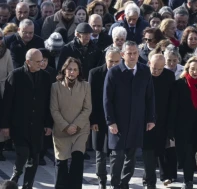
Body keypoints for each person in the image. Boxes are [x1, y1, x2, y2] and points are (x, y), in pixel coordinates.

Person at [103, 41, 155, 189]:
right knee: (117, 156)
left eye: (135, 53)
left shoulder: (145, 71)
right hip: (118, 121)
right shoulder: (114, 72)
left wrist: (151, 118)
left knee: (131, 156)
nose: (132, 56)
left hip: (137, 121)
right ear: (122, 55)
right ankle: (115, 184)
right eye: (129, 53)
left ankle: (124, 183)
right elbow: (107, 99)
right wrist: (110, 121)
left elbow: (150, 97)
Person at [0, 48, 52, 188]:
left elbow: (48, 102)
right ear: (28, 62)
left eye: (42, 61)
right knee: (23, 153)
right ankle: (15, 177)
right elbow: (7, 102)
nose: (41, 64)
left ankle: (28, 185)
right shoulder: (15, 75)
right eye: (37, 61)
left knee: (34, 158)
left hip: (37, 125)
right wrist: (5, 125)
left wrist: (48, 124)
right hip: (19, 124)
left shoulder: (46, 77)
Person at [50, 57, 92, 189]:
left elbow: (87, 108)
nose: (72, 72)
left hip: (80, 130)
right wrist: (66, 126)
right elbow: (54, 109)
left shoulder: (86, 86)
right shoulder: (55, 87)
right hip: (61, 130)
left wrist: (75, 125)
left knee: (77, 159)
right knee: (61, 163)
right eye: (69, 69)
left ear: (79, 72)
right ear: (64, 70)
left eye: (75, 69)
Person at [168, 56, 197, 189]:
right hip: (182, 126)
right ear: (187, 69)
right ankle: (187, 179)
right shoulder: (179, 84)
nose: (195, 72)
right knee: (186, 153)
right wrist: (171, 128)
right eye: (192, 69)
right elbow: (173, 108)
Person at [89, 47, 121, 189]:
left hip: (118, 119)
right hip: (99, 119)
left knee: (116, 153)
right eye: (110, 61)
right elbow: (91, 99)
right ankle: (101, 180)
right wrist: (93, 120)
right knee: (100, 152)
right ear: (105, 59)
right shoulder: (95, 73)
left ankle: (115, 181)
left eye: (116, 61)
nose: (113, 64)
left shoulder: (125, 73)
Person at [144, 54, 176, 189]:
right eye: (154, 68)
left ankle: (166, 176)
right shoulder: (143, 74)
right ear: (149, 63)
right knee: (148, 151)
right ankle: (149, 181)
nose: (156, 71)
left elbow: (172, 100)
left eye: (159, 69)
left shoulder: (169, 76)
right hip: (146, 118)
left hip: (163, 118)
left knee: (162, 149)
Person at [0, 28, 12, 161]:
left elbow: (10, 71)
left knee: (3, 118)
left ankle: (1, 149)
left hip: (2, 88)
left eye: (0, 38)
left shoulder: (7, 52)